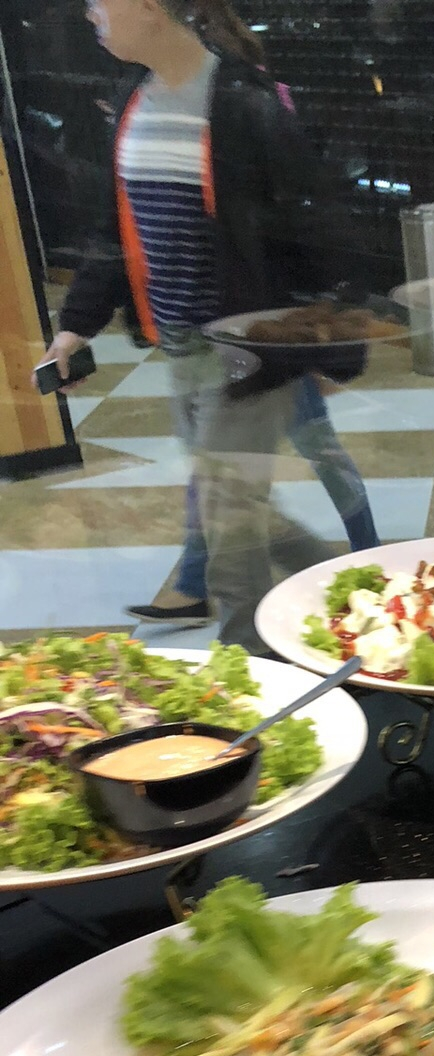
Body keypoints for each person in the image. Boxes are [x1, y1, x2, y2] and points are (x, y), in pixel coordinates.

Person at [37, 0, 345, 649]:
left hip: (247, 353)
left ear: (149, 7)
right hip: (181, 348)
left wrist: (326, 346)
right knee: (236, 506)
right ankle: (348, 596)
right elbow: (115, 227)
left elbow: (310, 226)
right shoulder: (133, 98)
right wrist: (76, 326)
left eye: (100, 2)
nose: (90, 14)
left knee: (230, 539)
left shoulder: (240, 102)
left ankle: (250, 679)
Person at [129, 373, 379, 623]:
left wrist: (320, 366)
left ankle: (362, 561)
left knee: (320, 460)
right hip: (206, 371)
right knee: (218, 487)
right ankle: (193, 587)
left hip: (258, 373)